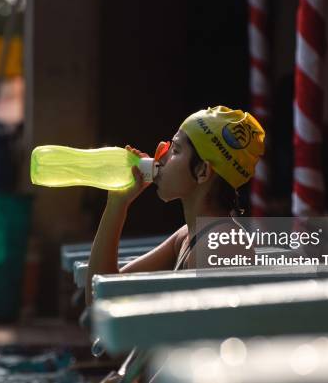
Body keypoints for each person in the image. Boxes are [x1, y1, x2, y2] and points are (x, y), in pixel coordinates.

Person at [85, 105, 265, 306]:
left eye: (176, 150)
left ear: (202, 172)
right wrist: (117, 203)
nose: (161, 157)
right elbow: (100, 296)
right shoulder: (187, 237)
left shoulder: (222, 246)